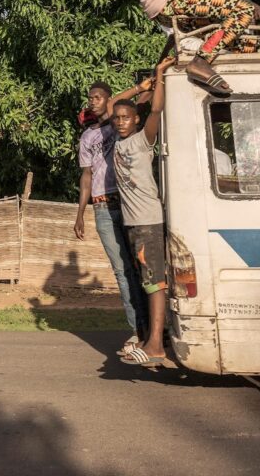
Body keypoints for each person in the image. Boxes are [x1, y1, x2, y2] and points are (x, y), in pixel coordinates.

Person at [74, 77, 154, 355]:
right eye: (90, 98)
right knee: (121, 270)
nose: (92, 101)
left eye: (97, 97)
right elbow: (87, 176)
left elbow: (124, 105)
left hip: (127, 202)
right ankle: (137, 330)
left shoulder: (116, 125)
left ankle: (155, 327)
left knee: (142, 267)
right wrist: (80, 213)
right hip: (101, 207)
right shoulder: (87, 137)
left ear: (107, 99)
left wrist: (141, 90)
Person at [113, 55, 177, 366]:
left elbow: (156, 109)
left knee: (154, 282)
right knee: (146, 281)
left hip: (148, 221)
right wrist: (141, 86)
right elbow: (113, 102)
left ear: (136, 120)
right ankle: (153, 339)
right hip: (134, 222)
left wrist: (160, 73)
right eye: (118, 119)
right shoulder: (117, 143)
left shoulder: (142, 141)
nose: (121, 121)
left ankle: (155, 345)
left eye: (126, 118)